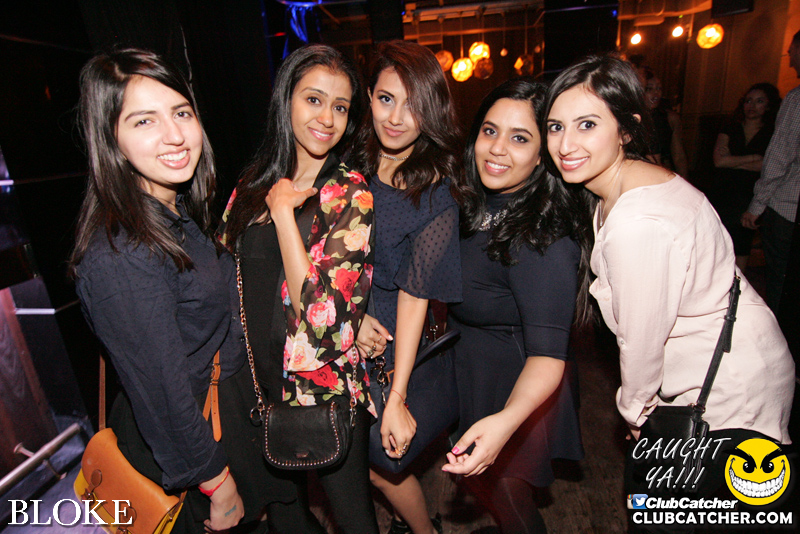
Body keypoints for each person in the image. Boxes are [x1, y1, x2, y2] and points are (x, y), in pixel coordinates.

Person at [543, 55, 794, 525]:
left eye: (587, 124)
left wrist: (637, 413)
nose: (565, 143)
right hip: (740, 355)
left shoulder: (638, 222)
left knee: (690, 514)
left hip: (728, 387)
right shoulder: (634, 183)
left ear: (627, 129)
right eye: (556, 127)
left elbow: (641, 340)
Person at [70, 48, 287, 533]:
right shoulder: (122, 253)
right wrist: (216, 483)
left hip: (222, 421)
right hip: (193, 454)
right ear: (110, 138)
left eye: (181, 112)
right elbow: (162, 395)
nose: (174, 135)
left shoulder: (171, 211)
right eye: (144, 121)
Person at [220, 44, 378, 534]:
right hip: (256, 384)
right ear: (286, 99)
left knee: (354, 519)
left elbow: (322, 324)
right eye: (314, 99)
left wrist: (285, 214)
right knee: (285, 516)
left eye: (340, 107)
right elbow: (225, 271)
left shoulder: (350, 194)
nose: (327, 118)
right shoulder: (252, 183)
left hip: (323, 389)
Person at [441, 79, 590, 533]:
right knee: (490, 491)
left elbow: (549, 356)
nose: (497, 149)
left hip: (517, 383)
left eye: (520, 138)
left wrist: (506, 421)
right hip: (476, 369)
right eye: (490, 131)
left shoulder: (542, 236)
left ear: (543, 154)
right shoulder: (477, 204)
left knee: (509, 497)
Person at [351, 40, 462, 534]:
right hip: (338, 325)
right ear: (369, 98)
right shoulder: (347, 161)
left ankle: (423, 530)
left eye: (413, 104)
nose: (396, 118)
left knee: (381, 465)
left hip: (392, 341)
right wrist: (348, 317)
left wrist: (397, 396)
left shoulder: (434, 193)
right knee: (350, 456)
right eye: (385, 99)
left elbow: (416, 293)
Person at [742, 29, 800, 313]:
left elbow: (778, 158)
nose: (789, 59)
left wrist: (757, 205)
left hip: (787, 208)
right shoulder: (732, 126)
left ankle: (780, 335)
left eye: (792, 51)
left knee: (781, 281)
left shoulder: (796, 99)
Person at [710, 83, 781, 270]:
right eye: (748, 100)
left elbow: (767, 166)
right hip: (723, 191)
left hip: (750, 193)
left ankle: (737, 283)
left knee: (741, 243)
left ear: (768, 106)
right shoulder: (731, 127)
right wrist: (753, 158)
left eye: (759, 101)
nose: (752, 105)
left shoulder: (772, 133)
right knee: (716, 241)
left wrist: (733, 160)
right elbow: (719, 161)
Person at [643, 70, 689, 178]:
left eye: (659, 88)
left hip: (664, 174)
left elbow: (679, 157)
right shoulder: (630, 119)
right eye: (649, 89)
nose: (656, 93)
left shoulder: (669, 118)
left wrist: (684, 183)